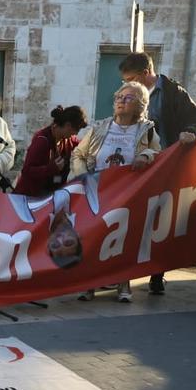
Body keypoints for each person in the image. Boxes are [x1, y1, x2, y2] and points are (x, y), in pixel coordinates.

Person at [119, 52, 196, 295]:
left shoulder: (173, 92)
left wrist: (190, 132)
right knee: (134, 220)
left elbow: (195, 117)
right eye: (125, 81)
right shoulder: (130, 94)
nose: (128, 84)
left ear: (146, 74)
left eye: (132, 78)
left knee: (161, 222)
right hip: (138, 168)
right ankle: (123, 274)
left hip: (166, 166)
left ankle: (157, 274)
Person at [69, 82, 160, 303]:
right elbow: (78, 154)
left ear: (140, 105)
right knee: (92, 237)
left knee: (124, 238)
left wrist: (146, 155)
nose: (121, 101)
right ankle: (88, 283)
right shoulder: (100, 127)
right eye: (119, 96)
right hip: (96, 190)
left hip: (128, 193)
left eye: (128, 98)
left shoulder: (146, 130)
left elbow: (158, 152)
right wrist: (84, 176)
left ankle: (123, 283)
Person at [12, 105, 87, 196]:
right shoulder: (42, 141)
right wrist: (52, 169)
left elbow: (83, 145)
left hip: (50, 195)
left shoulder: (68, 140)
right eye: (76, 130)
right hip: (30, 197)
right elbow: (27, 171)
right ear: (68, 125)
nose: (76, 134)